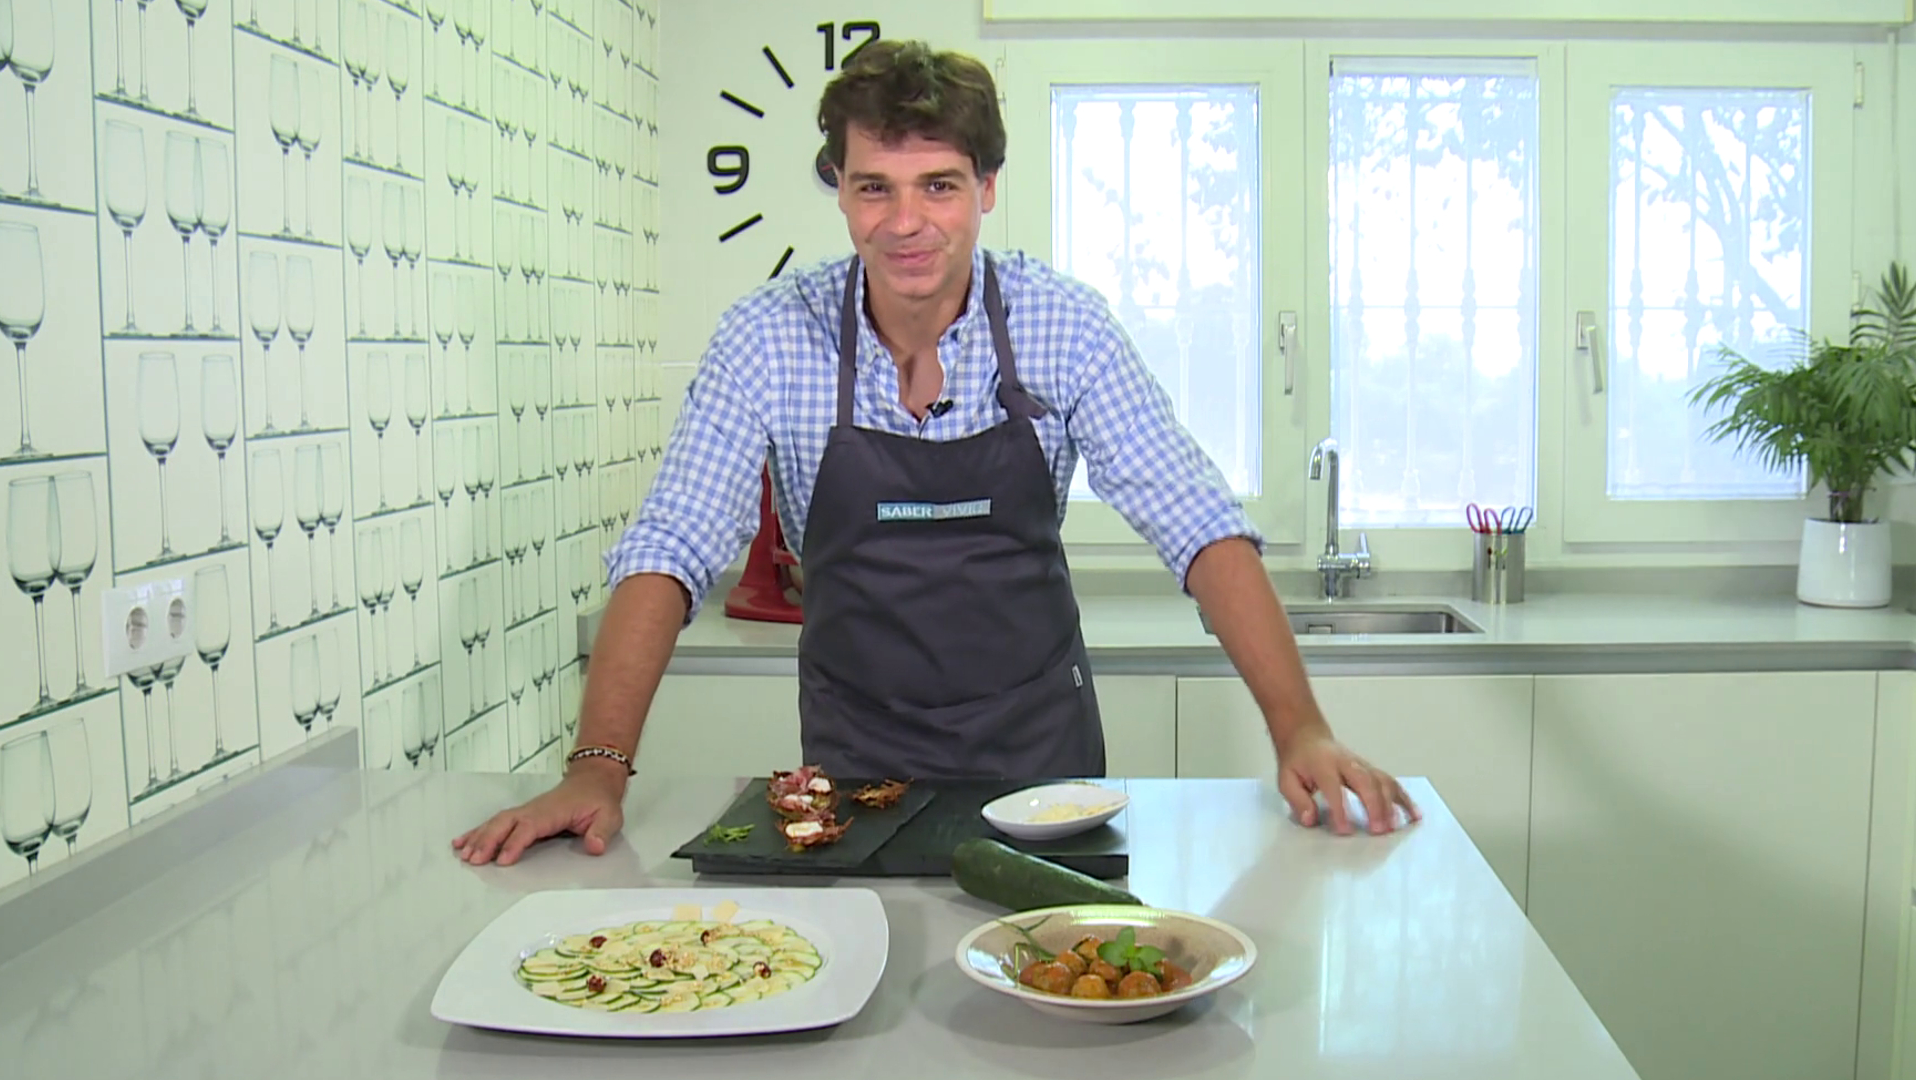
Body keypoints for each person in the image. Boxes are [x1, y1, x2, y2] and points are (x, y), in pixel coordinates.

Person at [453, 39, 1418, 867]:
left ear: (987, 188)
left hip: (1043, 764)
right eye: (874, 187)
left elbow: (1199, 527)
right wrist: (597, 768)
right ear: (841, 191)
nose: (905, 222)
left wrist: (1300, 728)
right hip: (852, 765)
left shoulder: (1062, 326)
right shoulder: (768, 337)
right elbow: (670, 547)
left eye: (939, 186)